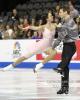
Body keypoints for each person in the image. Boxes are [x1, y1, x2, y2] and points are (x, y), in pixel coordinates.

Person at [52, 6, 79, 94]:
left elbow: (60, 37)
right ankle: (64, 88)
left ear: (65, 12)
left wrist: (52, 47)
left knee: (63, 65)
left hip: (70, 46)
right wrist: (59, 27)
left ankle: (60, 67)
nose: (59, 14)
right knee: (65, 68)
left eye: (60, 12)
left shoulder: (68, 22)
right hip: (67, 45)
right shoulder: (64, 21)